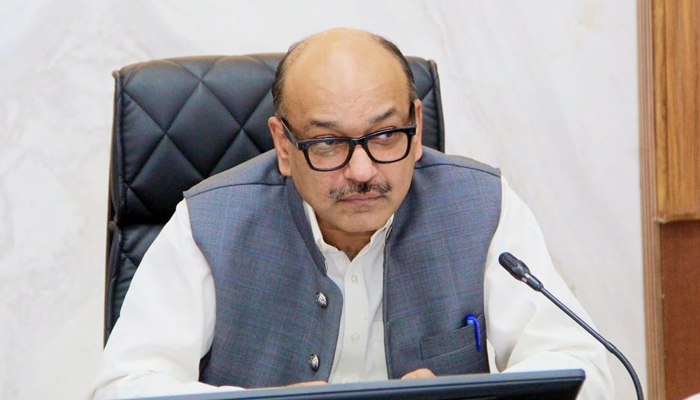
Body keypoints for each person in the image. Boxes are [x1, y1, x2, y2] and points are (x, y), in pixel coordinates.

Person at [88, 28, 614, 399]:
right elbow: (123, 387)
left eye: (386, 135)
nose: (362, 170)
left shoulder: (482, 205)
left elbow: (585, 368)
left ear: (416, 125)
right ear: (284, 145)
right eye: (327, 143)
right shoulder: (209, 224)